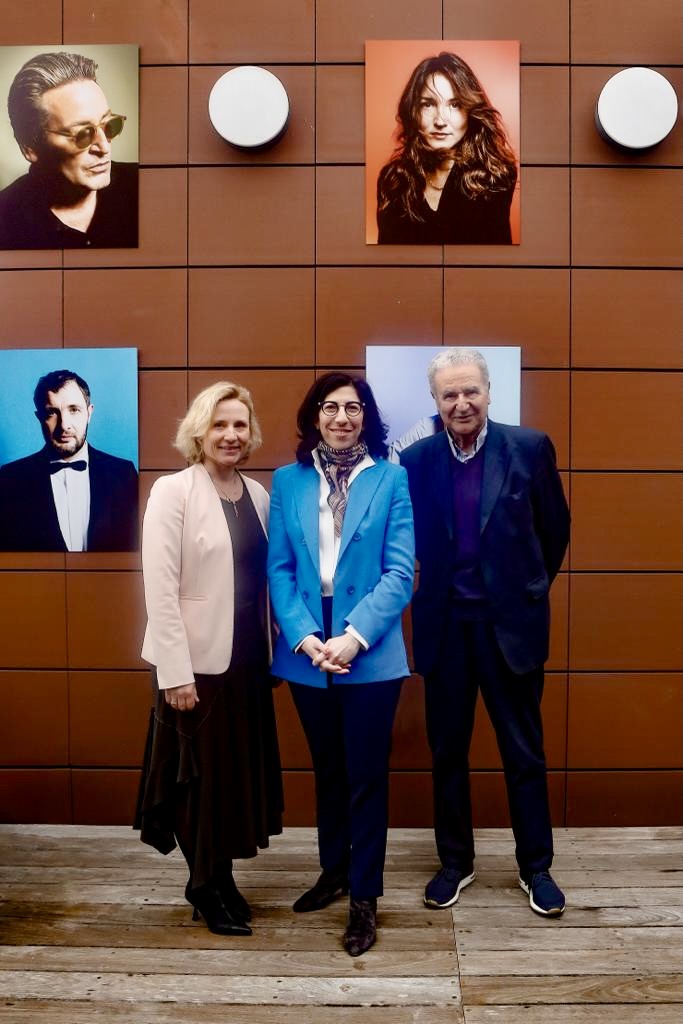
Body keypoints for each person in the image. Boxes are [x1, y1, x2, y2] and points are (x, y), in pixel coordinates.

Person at [400, 348, 570, 917]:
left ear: (490, 392)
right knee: (447, 751)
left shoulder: (528, 448)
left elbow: (555, 531)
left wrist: (523, 590)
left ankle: (537, 868)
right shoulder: (417, 460)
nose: (461, 402)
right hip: (446, 630)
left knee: (524, 753)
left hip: (511, 632)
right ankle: (455, 863)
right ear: (436, 402)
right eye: (449, 394)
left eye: (470, 390)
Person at [267, 372, 414, 956]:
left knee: (365, 776)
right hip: (307, 652)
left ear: (366, 417)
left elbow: (400, 571)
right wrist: (305, 638)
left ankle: (364, 898)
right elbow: (278, 570)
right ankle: (333, 872)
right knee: (328, 771)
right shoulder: (287, 481)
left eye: (353, 408)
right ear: (314, 417)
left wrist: (353, 638)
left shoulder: (391, 480)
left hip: (369, 651)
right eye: (330, 408)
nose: (341, 417)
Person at [135, 382, 283, 937]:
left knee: (232, 777)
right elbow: (160, 588)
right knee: (200, 780)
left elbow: (264, 582)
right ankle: (203, 885)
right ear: (199, 431)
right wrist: (174, 673)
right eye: (220, 424)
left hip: (245, 660)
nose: (231, 435)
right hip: (195, 666)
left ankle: (222, 879)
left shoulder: (259, 495)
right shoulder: (173, 492)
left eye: (240, 425)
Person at [376, 52, 517, 245]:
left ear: (470, 112)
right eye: (428, 104)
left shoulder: (496, 177)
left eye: (455, 105)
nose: (440, 120)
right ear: (412, 111)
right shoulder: (392, 180)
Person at [0, 51, 137, 249]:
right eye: (83, 134)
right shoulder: (5, 222)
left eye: (109, 125)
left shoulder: (143, 185)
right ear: (29, 148)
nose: (104, 147)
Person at [0, 368, 138, 551]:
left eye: (74, 410)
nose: (64, 425)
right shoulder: (9, 480)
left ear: (89, 413)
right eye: (52, 413)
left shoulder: (124, 474)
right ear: (39, 417)